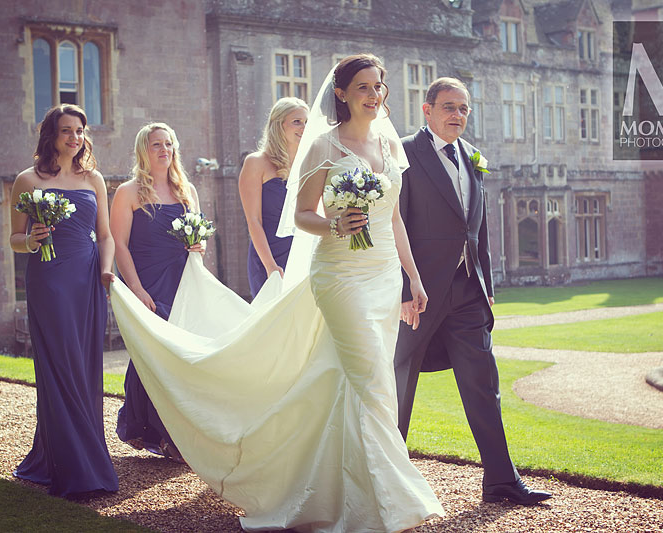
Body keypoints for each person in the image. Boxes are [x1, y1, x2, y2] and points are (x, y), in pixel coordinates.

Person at [109, 54, 443, 532]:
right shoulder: (323, 146)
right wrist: (332, 224)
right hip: (341, 277)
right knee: (373, 382)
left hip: (384, 276)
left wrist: (413, 277)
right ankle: (396, 498)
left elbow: (393, 218)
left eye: (380, 86)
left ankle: (341, 489)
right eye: (365, 87)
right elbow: (302, 215)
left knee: (363, 383)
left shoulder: (390, 144)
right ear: (343, 93)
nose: (375, 94)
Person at [393, 77, 552, 505]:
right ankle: (385, 482)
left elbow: (476, 229)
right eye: (448, 107)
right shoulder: (405, 153)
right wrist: (404, 288)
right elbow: (396, 224)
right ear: (427, 111)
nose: (457, 115)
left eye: (463, 109)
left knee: (484, 384)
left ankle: (501, 480)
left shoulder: (472, 158)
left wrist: (487, 284)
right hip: (420, 294)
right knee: (399, 384)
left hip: (468, 293)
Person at [10, 103, 118, 497]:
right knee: (61, 365)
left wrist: (107, 272)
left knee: (84, 366)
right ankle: (76, 465)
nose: (75, 138)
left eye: (79, 131)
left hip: (87, 280)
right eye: (66, 131)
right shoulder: (27, 179)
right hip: (49, 281)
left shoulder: (94, 179)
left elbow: (104, 235)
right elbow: (14, 240)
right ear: (51, 136)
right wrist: (31, 239)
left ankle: (56, 452)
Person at [110, 122, 204, 462]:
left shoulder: (186, 190)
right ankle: (157, 431)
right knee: (152, 355)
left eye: (168, 144)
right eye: (156, 145)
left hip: (183, 280)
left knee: (179, 357)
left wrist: (199, 246)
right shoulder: (128, 192)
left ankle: (170, 433)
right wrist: (135, 289)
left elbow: (199, 234)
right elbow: (119, 244)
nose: (164, 150)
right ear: (143, 151)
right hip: (148, 281)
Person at [239, 97, 308, 297]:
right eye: (297, 121)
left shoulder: (308, 165)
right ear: (279, 125)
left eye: (306, 122)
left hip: (301, 255)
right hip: (268, 256)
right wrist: (270, 266)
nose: (303, 127)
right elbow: (253, 221)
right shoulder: (256, 162)